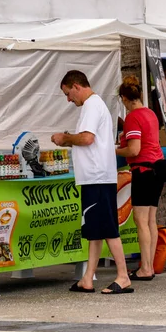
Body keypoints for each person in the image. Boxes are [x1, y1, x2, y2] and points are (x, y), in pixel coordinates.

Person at [51, 71, 133, 294]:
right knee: (94, 230)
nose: (69, 100)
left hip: (97, 177)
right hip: (96, 176)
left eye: (68, 94)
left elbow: (87, 138)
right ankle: (88, 278)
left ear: (76, 86)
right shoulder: (95, 105)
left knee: (107, 227)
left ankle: (123, 276)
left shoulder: (91, 106)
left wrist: (65, 138)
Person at [116, 76, 165, 280]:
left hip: (143, 171)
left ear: (124, 99)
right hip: (158, 169)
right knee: (151, 220)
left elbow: (134, 149)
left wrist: (115, 150)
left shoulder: (133, 117)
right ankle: (149, 266)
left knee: (141, 220)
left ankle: (145, 268)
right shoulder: (150, 113)